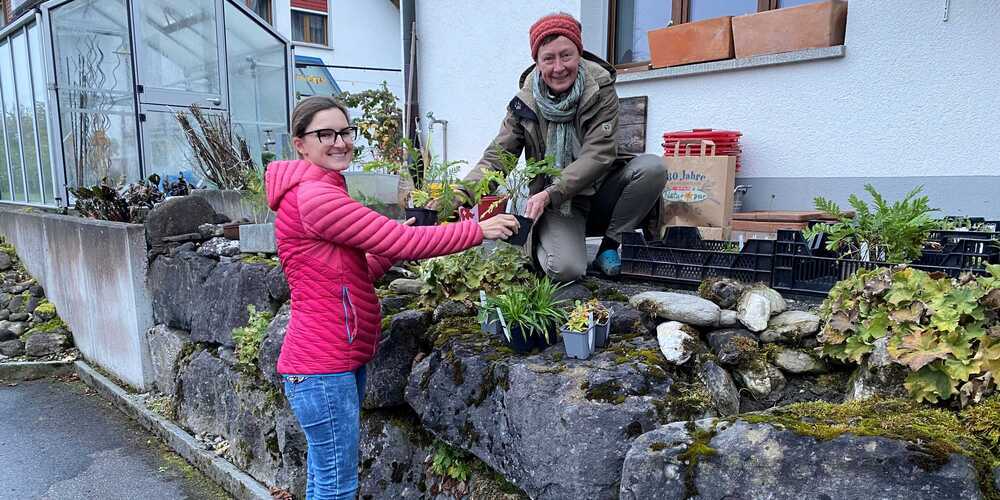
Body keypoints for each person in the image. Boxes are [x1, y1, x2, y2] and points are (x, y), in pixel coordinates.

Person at [265, 96, 520, 500]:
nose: (340, 141)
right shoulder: (315, 197)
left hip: (329, 363)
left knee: (325, 478)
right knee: (336, 486)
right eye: (324, 134)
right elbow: (403, 239)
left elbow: (351, 274)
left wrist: (389, 245)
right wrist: (477, 231)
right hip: (323, 366)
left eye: (345, 132)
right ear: (300, 144)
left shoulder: (320, 190)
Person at [463, 12, 667, 282]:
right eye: (548, 58)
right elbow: (498, 157)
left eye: (566, 55)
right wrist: (461, 193)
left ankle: (608, 247)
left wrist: (550, 192)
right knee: (566, 269)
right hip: (560, 204)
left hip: (601, 192)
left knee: (652, 168)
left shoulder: (600, 89)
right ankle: (541, 243)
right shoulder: (525, 103)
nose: (558, 67)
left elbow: (599, 153)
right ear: (537, 62)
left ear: (579, 53)